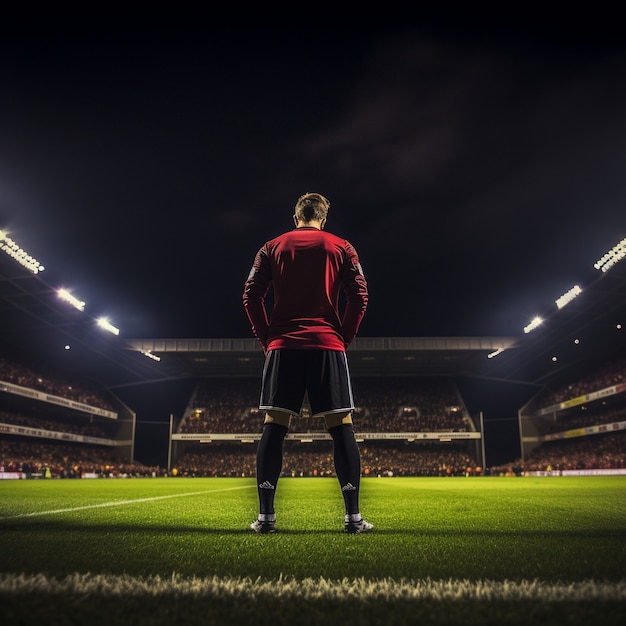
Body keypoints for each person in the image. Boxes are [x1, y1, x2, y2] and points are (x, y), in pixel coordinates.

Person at [242, 192, 373, 534]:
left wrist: (267, 338)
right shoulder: (342, 246)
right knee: (341, 424)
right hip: (328, 345)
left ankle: (266, 519)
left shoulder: (271, 247)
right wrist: (342, 337)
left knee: (275, 422)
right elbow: (360, 295)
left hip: (283, 345)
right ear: (323, 219)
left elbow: (251, 294)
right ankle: (353, 519)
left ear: (295, 217)